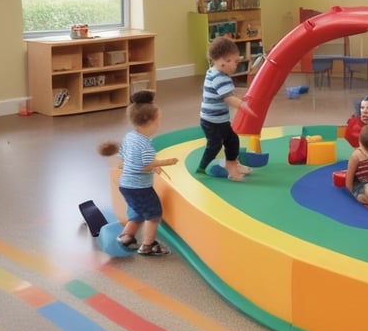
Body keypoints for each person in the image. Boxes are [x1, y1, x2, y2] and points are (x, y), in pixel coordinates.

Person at [97, 90, 178, 255]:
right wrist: (164, 162)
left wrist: (150, 165)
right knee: (154, 215)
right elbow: (144, 165)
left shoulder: (130, 137)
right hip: (140, 188)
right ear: (149, 121)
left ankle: (126, 237)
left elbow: (124, 160)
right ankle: (148, 245)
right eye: (159, 120)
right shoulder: (145, 145)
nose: (159, 124)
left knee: (138, 213)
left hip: (126, 185)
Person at [197, 36, 255, 181]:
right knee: (214, 145)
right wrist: (243, 106)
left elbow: (228, 93)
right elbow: (228, 98)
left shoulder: (214, 71)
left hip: (218, 119)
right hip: (212, 121)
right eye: (234, 62)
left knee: (232, 141)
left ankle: (233, 163)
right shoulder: (219, 78)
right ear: (224, 62)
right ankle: (203, 167)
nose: (236, 65)